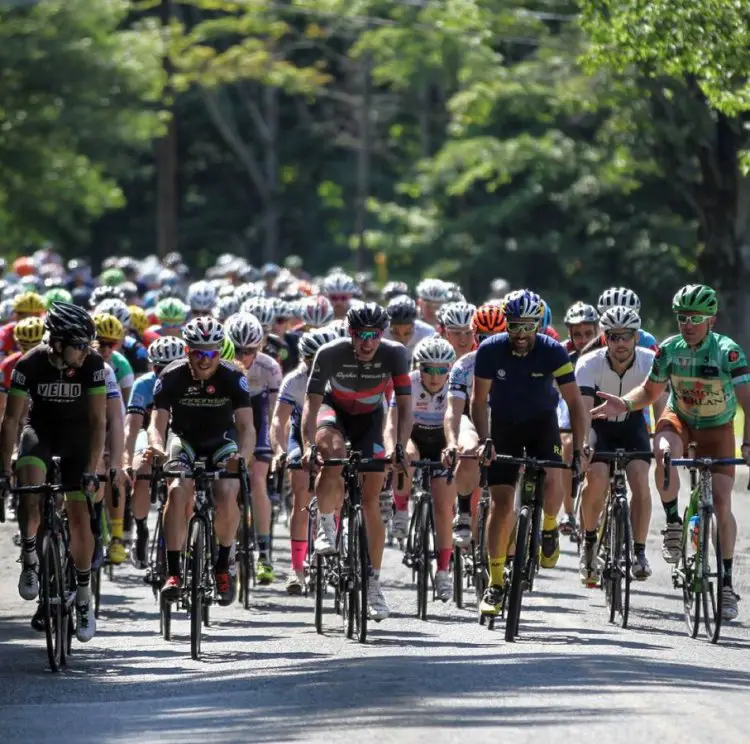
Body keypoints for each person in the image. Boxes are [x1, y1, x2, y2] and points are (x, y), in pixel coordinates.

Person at [591, 284, 750, 622]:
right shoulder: (669, 349)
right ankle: (674, 524)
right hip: (680, 420)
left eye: (694, 318)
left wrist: (748, 445)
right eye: (681, 318)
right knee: (663, 452)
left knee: (722, 501)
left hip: (718, 428)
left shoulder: (728, 352)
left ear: (712, 320)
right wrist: (625, 403)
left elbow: (748, 404)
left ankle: (724, 584)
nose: (686, 324)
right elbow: (650, 391)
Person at [471, 289, 587, 616]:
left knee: (553, 475)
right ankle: (495, 583)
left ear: (539, 323)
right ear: (506, 323)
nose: (521, 335)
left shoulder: (551, 351)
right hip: (503, 427)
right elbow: (479, 401)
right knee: (501, 502)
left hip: (542, 424)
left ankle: (549, 525)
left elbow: (575, 402)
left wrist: (578, 449)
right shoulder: (490, 350)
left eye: (528, 326)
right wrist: (484, 439)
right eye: (515, 326)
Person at [1, 302, 107, 642]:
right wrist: (5, 469)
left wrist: (91, 469)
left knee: (78, 514)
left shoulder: (92, 364)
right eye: (79, 344)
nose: (85, 350)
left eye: (88, 343)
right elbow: (12, 420)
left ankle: (84, 597)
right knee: (30, 489)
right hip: (41, 435)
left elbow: (97, 421)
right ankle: (30, 555)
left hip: (78, 440)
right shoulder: (29, 363)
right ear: (58, 343)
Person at [302, 302, 412, 622]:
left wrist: (401, 446)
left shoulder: (395, 354)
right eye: (360, 334)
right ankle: (325, 524)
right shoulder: (330, 353)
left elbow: (404, 407)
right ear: (349, 333)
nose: (366, 342)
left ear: (382, 334)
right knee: (333, 455)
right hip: (332, 413)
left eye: (373, 335)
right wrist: (310, 445)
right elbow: (310, 406)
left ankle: (373, 584)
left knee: (371, 501)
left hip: (370, 420)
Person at [148, 316, 256, 607]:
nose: (205, 360)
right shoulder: (170, 376)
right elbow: (157, 424)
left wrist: (242, 457)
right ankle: (173, 573)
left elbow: (246, 428)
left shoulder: (233, 377)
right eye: (198, 352)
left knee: (226, 492)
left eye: (211, 353)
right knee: (176, 490)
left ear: (219, 352)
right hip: (185, 440)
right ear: (187, 351)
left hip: (222, 441)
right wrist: (156, 448)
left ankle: (223, 565)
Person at [575, 306, 662, 584]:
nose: (620, 343)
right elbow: (584, 414)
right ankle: (589, 544)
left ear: (636, 337)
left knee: (639, 479)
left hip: (633, 425)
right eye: (613, 337)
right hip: (599, 427)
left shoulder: (651, 361)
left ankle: (638, 552)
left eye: (626, 336)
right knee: (597, 479)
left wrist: (662, 441)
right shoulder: (589, 363)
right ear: (605, 338)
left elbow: (661, 411)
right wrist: (584, 444)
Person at [386, 336, 457, 601]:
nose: (436, 376)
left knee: (442, 506)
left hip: (441, 441)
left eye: (442, 370)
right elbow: (393, 423)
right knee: (406, 454)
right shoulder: (408, 384)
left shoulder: (455, 385)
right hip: (413, 435)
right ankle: (401, 509)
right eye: (429, 369)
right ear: (419, 368)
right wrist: (394, 447)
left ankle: (442, 572)